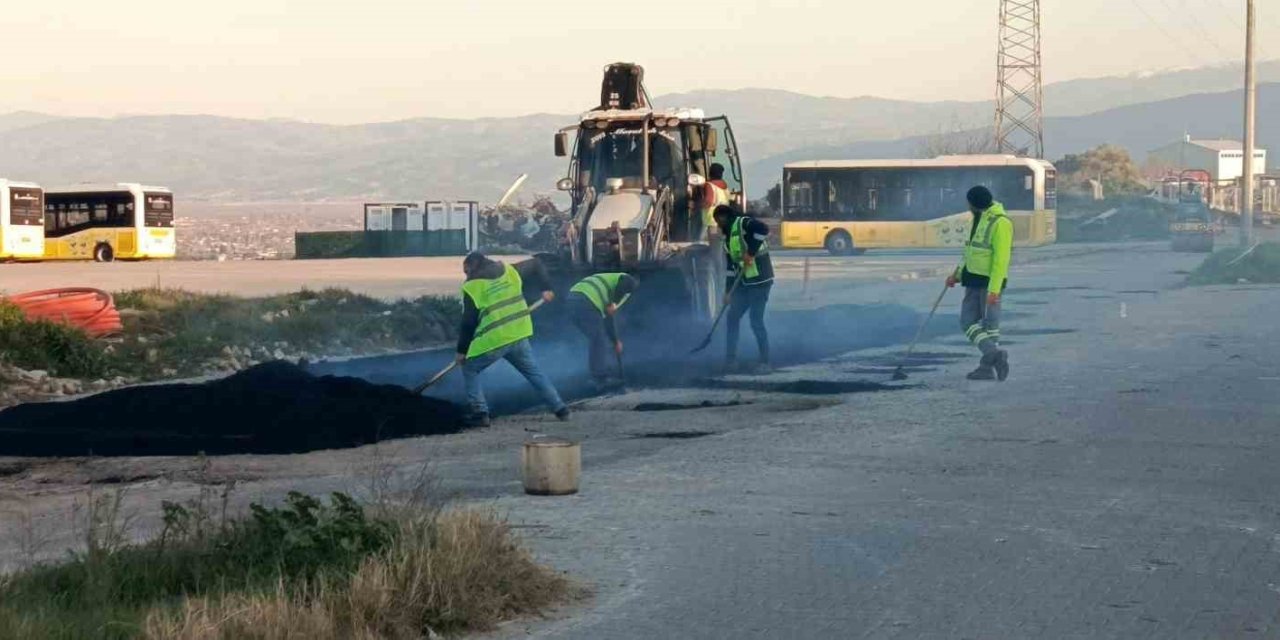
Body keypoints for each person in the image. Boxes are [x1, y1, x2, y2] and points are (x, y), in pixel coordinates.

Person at [455, 252, 570, 426]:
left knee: (470, 368)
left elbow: (468, 321)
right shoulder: (510, 271)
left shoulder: (472, 287)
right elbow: (537, 263)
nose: (466, 276)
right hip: (518, 334)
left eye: (467, 271)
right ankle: (560, 408)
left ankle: (480, 413)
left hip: (495, 340)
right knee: (534, 373)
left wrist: (462, 351)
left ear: (473, 267)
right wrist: (546, 287)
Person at [945, 186, 1012, 381]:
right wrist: (956, 275)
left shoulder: (1001, 222)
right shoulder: (978, 219)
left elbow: (1001, 259)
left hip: (990, 283)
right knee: (968, 322)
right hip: (972, 279)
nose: (968, 206)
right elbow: (970, 252)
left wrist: (994, 290)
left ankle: (986, 367)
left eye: (969, 203)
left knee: (990, 326)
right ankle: (993, 355)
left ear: (973, 203)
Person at [713, 204, 774, 373]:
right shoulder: (728, 239)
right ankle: (730, 361)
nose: (718, 225)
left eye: (718, 221)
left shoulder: (743, 222)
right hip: (744, 283)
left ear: (724, 217)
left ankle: (765, 362)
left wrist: (751, 252)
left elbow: (763, 229)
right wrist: (727, 292)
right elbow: (731, 269)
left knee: (755, 320)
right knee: (732, 317)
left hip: (760, 281)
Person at [568, 273, 640, 389]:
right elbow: (625, 282)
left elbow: (608, 319)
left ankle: (600, 372)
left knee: (597, 338)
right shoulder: (625, 280)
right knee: (598, 339)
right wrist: (613, 303)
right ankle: (599, 378)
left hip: (572, 299)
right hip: (586, 300)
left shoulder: (610, 284)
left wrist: (615, 341)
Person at [701, 163, 731, 240]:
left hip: (712, 222)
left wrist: (696, 205)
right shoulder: (724, 186)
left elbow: (708, 202)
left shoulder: (709, 185)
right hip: (723, 221)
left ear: (710, 172)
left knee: (712, 244)